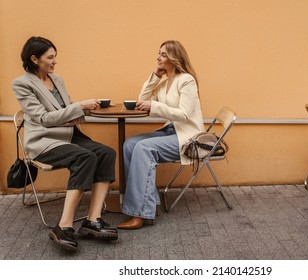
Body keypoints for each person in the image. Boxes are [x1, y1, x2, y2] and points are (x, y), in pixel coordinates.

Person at [12, 36, 118, 252]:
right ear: (34, 58)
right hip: (44, 141)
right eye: (50, 58)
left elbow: (66, 109)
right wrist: (79, 106)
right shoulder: (22, 84)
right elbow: (43, 118)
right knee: (85, 157)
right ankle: (63, 226)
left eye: (55, 57)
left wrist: (90, 108)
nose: (54, 62)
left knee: (107, 153)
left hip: (70, 136)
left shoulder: (57, 79)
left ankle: (92, 219)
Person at [117, 40, 204, 230]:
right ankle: (150, 202)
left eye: (163, 54)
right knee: (130, 144)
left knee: (143, 147)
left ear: (175, 58)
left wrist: (154, 106)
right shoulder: (164, 82)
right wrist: (155, 77)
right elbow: (143, 100)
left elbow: (184, 114)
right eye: (159, 53)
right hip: (171, 131)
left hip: (188, 136)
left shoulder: (186, 80)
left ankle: (140, 214)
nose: (158, 57)